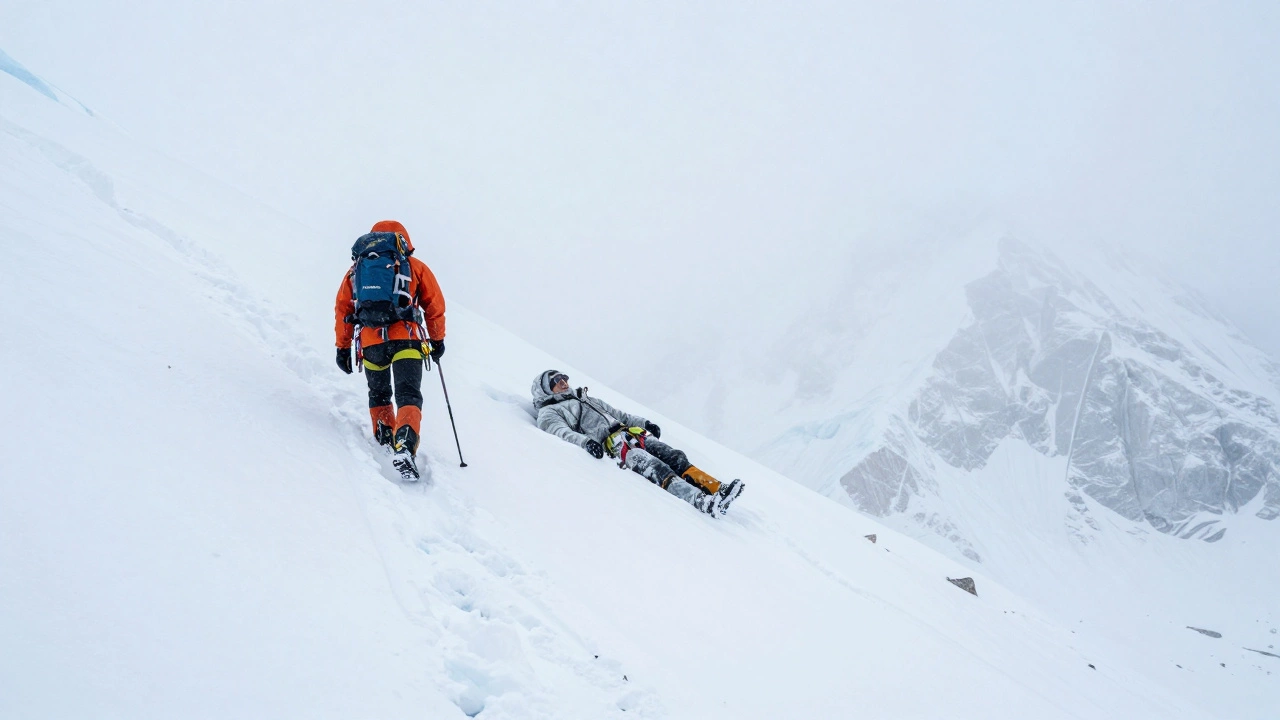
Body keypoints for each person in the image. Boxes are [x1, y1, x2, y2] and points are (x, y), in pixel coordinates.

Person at [531, 369, 744, 516]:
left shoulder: (585, 398)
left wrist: (645, 423)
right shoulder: (549, 412)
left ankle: (716, 489)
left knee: (673, 456)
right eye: (555, 381)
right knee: (656, 468)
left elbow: (618, 413)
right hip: (613, 446)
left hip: (632, 432)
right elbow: (560, 432)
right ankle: (701, 501)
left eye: (563, 377)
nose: (562, 381)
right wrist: (586, 443)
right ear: (545, 390)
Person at [335, 220, 446, 480]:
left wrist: (343, 347)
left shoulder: (356, 271)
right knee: (408, 394)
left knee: (380, 393)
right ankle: (405, 445)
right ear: (403, 240)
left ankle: (385, 440)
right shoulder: (415, 267)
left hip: (371, 344)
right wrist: (437, 340)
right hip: (407, 340)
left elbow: (343, 309)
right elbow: (434, 305)